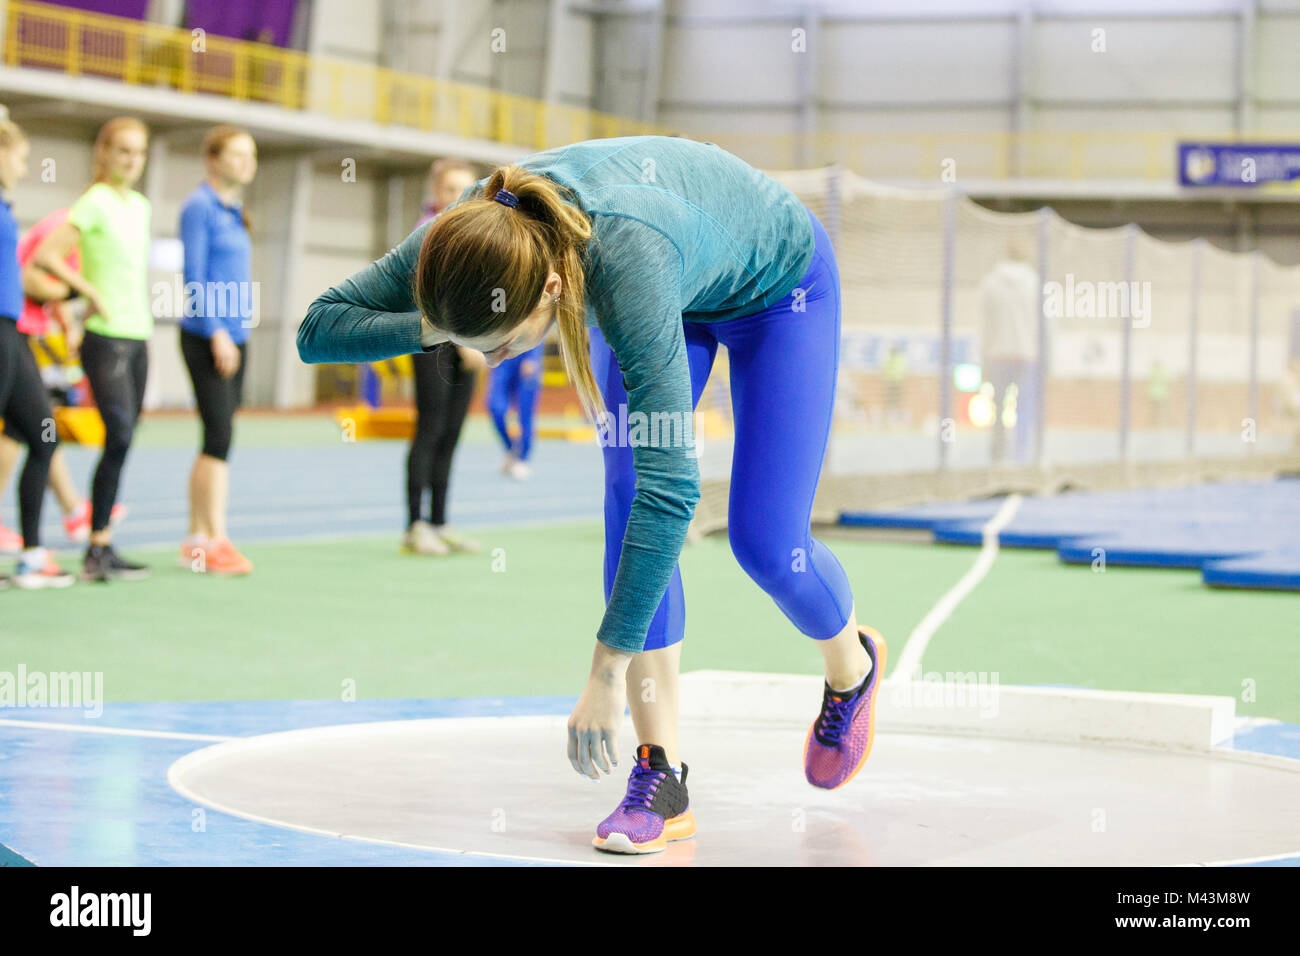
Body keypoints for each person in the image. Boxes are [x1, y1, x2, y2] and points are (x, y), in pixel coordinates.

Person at [297, 136, 887, 854]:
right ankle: (661, 774)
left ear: (550, 289)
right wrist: (435, 327)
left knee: (765, 542)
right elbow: (316, 329)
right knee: (624, 485)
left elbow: (675, 492)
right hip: (667, 262)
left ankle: (851, 667)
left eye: (504, 343)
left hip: (777, 290)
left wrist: (604, 673)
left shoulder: (624, 266)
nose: (490, 360)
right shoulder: (464, 237)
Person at [33, 117, 152, 582]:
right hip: (105, 336)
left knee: (126, 440)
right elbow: (46, 255)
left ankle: (101, 543)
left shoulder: (139, 206)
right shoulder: (95, 201)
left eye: (139, 152)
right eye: (123, 151)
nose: (131, 160)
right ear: (104, 153)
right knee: (118, 434)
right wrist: (88, 292)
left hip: (140, 334)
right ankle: (95, 548)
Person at [0, 206, 128, 553]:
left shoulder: (73, 238)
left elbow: (49, 288)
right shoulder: (68, 228)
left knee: (37, 430)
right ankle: (70, 512)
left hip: (26, 330)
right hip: (16, 331)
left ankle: (71, 510)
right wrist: (80, 293)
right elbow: (31, 279)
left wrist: (68, 323)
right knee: (28, 429)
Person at [177, 125, 258, 576]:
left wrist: (235, 331)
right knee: (220, 437)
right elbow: (193, 277)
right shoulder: (199, 207)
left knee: (216, 435)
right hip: (209, 336)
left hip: (235, 336)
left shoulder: (235, 209)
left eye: (252, 155)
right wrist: (217, 332)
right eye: (237, 154)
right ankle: (216, 539)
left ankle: (196, 538)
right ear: (213, 160)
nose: (247, 162)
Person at [0, 118, 74, 588]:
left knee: (43, 435)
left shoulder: (5, 205)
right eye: (21, 158)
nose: (25, 169)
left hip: (14, 333)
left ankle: (31, 556)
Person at [402, 158, 484, 556]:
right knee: (430, 429)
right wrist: (465, 342)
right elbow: (432, 300)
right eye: (451, 189)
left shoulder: (474, 235)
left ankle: (440, 521)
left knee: (451, 435)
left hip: (464, 348)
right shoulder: (427, 233)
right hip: (432, 344)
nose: (459, 198)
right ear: (436, 193)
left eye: (467, 190)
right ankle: (415, 526)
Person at [978, 243, 1039, 464]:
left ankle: (997, 456)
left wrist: (983, 357)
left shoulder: (990, 282)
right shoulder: (1034, 283)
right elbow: (1043, 324)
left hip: (997, 354)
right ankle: (1020, 457)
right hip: (1026, 354)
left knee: (998, 409)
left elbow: (984, 324)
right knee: (1023, 408)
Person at [487, 342, 545, 479]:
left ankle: (522, 458)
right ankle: (511, 450)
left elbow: (540, 323)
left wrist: (533, 357)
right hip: (502, 357)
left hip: (526, 354)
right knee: (495, 406)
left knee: (525, 414)